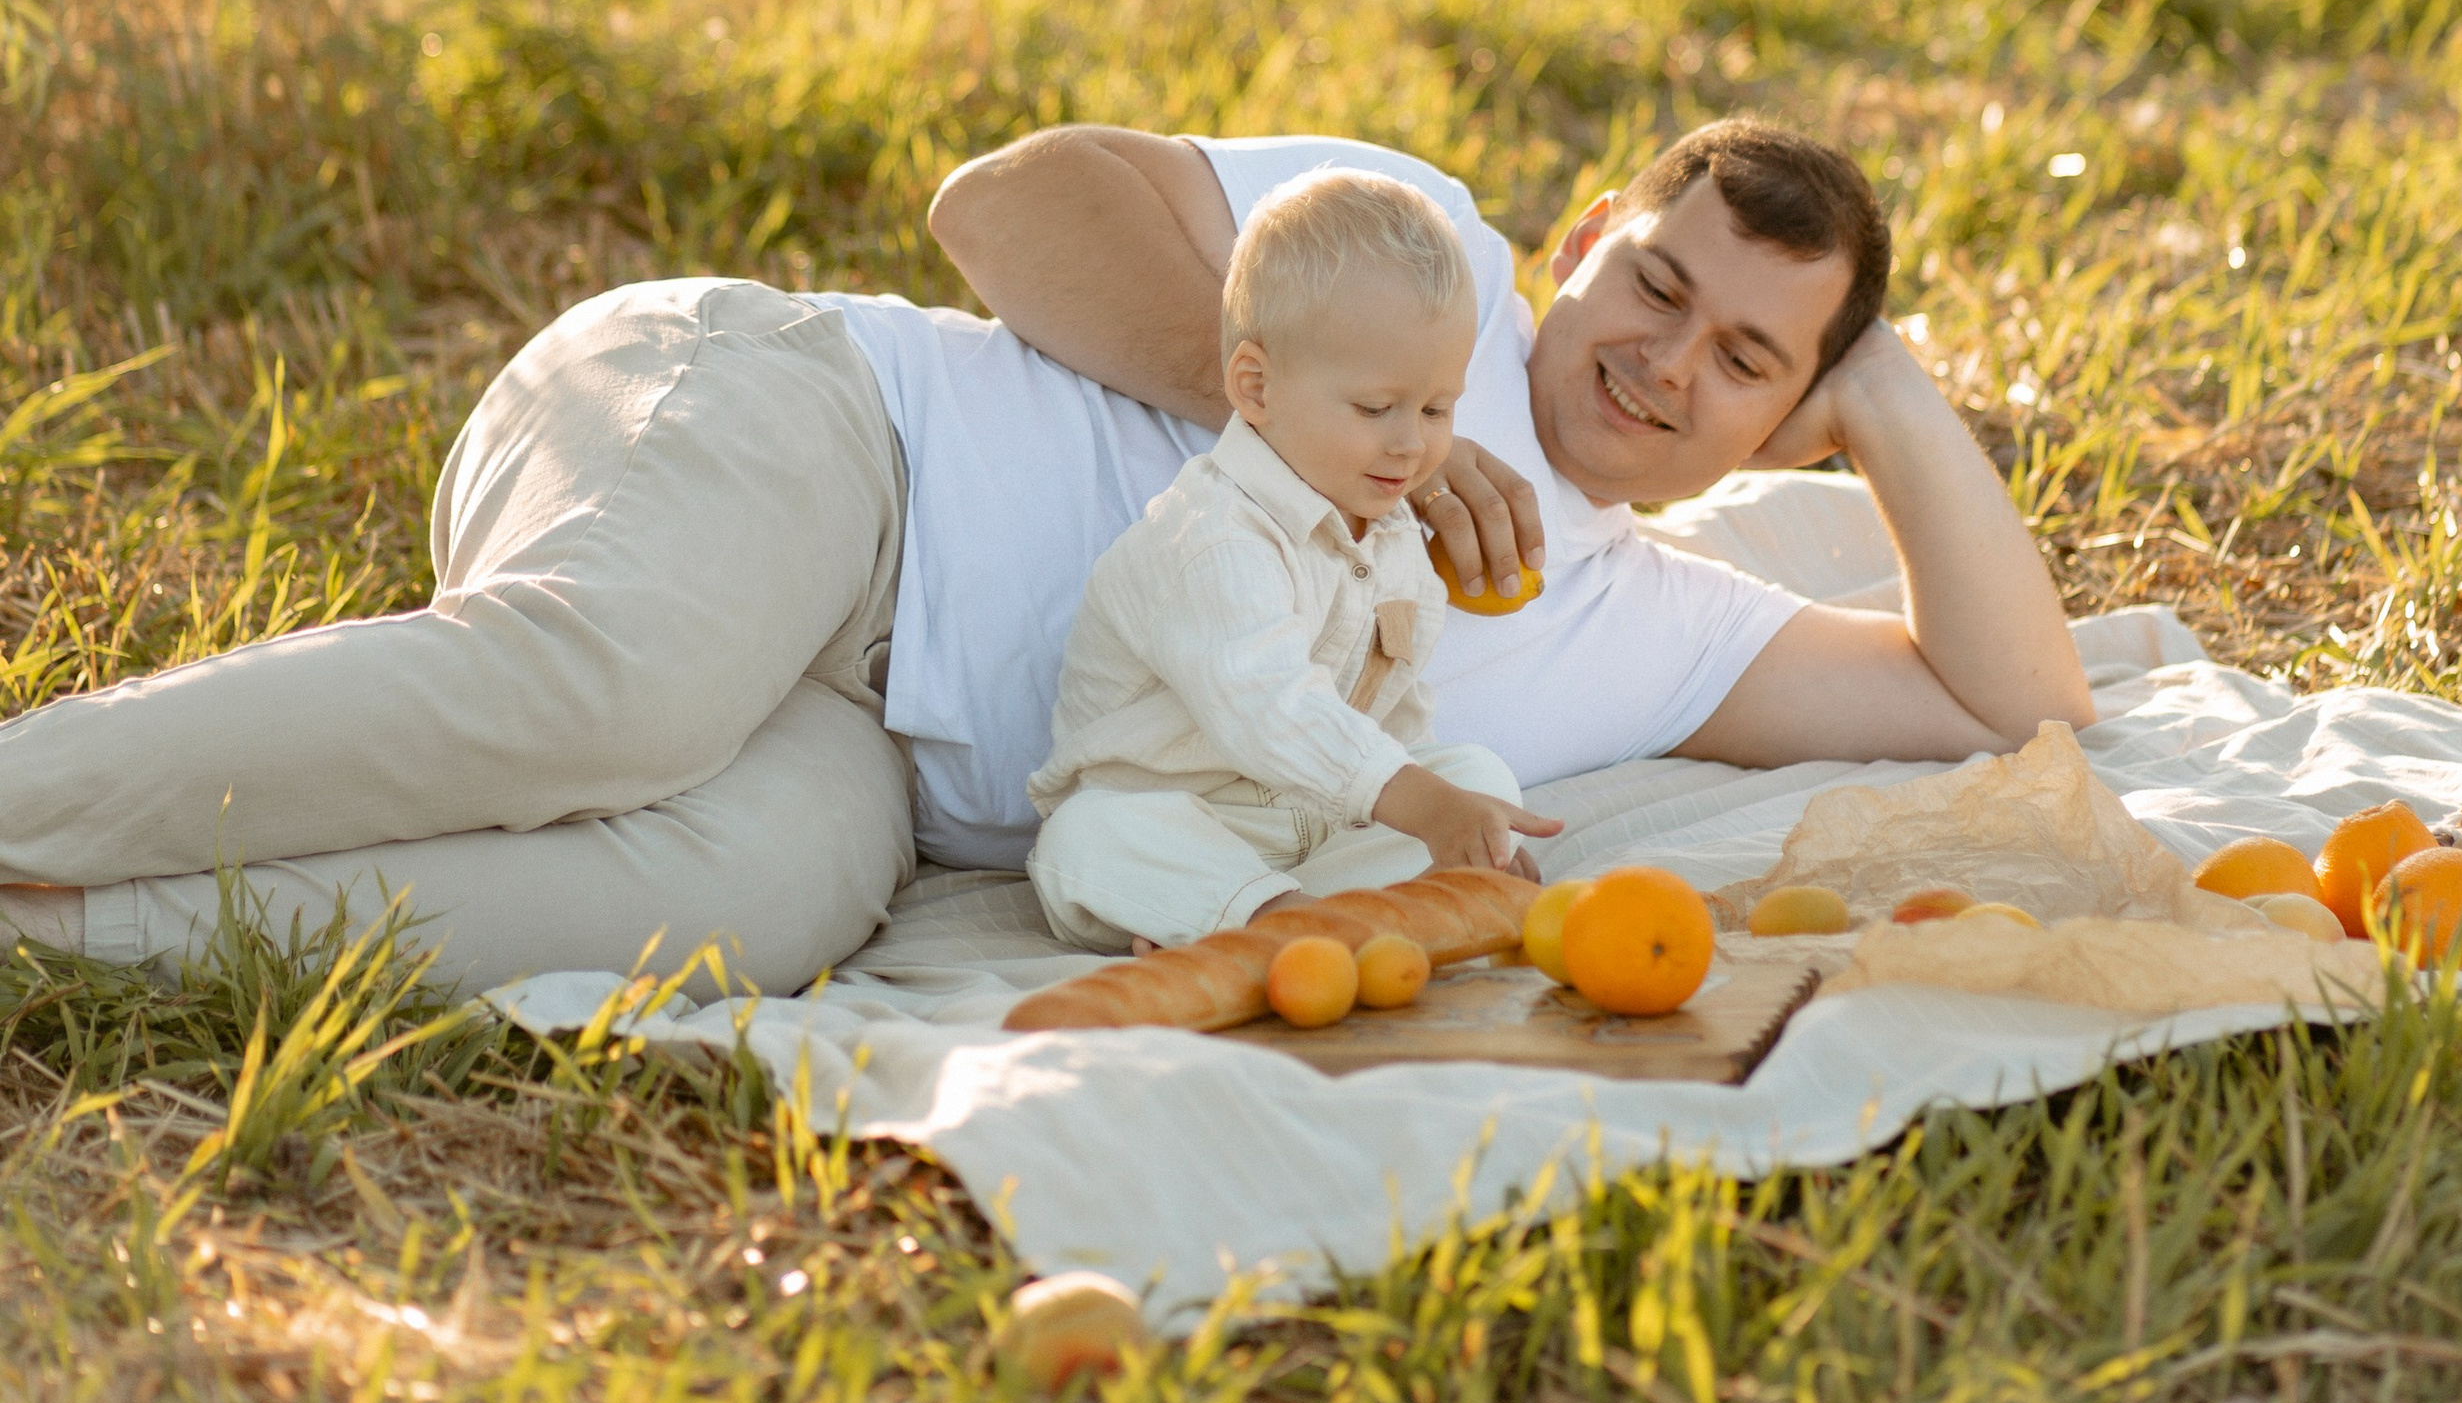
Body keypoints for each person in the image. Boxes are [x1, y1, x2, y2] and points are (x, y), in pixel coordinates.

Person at [0, 115, 2091, 994]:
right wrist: (1345, 421)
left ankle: (57, 926)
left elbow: (2007, 700)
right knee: (626, 691)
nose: (1663, 360)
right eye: (1656, 286)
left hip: (875, 750)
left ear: (1784, 424)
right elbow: (1002, 205)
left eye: (1748, 360)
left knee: (750, 903)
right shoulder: (1414, 252)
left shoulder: (1653, 627)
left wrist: (1897, 403)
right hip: (809, 436)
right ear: (1583, 247)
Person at [1026, 168, 1559, 952]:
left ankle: (1311, 918)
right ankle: (1270, 921)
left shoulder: (1392, 534)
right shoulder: (1213, 534)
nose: (1412, 443)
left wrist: (1454, 821)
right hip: (1185, 816)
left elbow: (1394, 719)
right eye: (1375, 408)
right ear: (1256, 386)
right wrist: (1418, 802)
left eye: (1437, 408)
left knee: (1476, 774)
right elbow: (1268, 703)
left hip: (1316, 825)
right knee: (1086, 838)